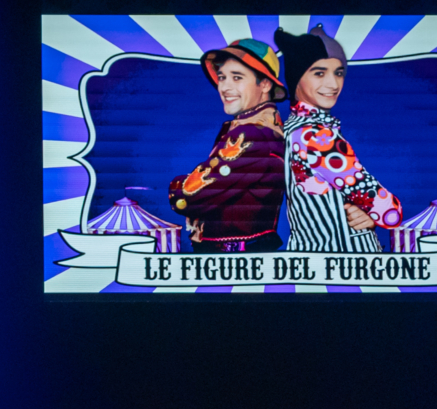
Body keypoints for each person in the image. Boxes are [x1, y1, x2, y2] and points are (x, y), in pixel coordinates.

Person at [275, 23, 402, 252]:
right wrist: (381, 212)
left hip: (310, 255)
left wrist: (365, 211)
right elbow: (385, 209)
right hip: (347, 257)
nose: (333, 84)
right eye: (319, 73)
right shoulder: (314, 135)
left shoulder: (291, 127)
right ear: (296, 77)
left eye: (339, 73)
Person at [166, 38, 287, 252]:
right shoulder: (263, 128)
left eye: (237, 77)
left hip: (235, 259)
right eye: (222, 77)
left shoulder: (253, 134)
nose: (225, 87)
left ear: (265, 84)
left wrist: (177, 185)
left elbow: (189, 197)